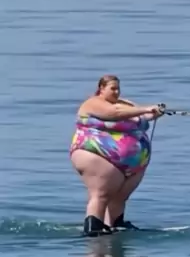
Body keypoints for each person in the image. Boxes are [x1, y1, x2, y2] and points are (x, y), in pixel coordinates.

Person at [70, 74, 164, 236]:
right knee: (101, 194)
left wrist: (155, 113)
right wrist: (146, 108)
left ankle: (115, 224)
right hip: (98, 155)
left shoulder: (126, 104)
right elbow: (113, 113)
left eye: (118, 88)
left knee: (119, 197)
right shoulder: (93, 103)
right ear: (101, 88)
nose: (116, 92)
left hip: (131, 162)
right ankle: (94, 227)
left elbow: (143, 116)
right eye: (112, 88)